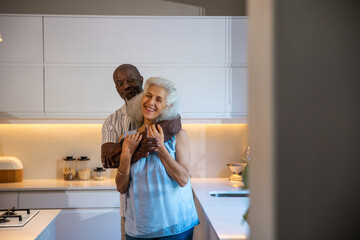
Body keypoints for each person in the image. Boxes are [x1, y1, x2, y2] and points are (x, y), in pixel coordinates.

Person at [101, 64, 182, 240]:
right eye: (119, 83)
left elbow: (174, 124)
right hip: (131, 213)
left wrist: (124, 147)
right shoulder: (112, 122)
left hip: (168, 216)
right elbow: (108, 160)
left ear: (140, 80)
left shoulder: (164, 112)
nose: (125, 86)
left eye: (130, 80)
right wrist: (138, 148)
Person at [116, 77, 199, 239]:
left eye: (159, 99)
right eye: (148, 95)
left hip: (176, 227)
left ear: (168, 106)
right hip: (138, 229)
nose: (150, 102)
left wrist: (160, 148)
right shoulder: (127, 138)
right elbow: (121, 187)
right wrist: (126, 155)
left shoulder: (179, 136)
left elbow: (183, 179)